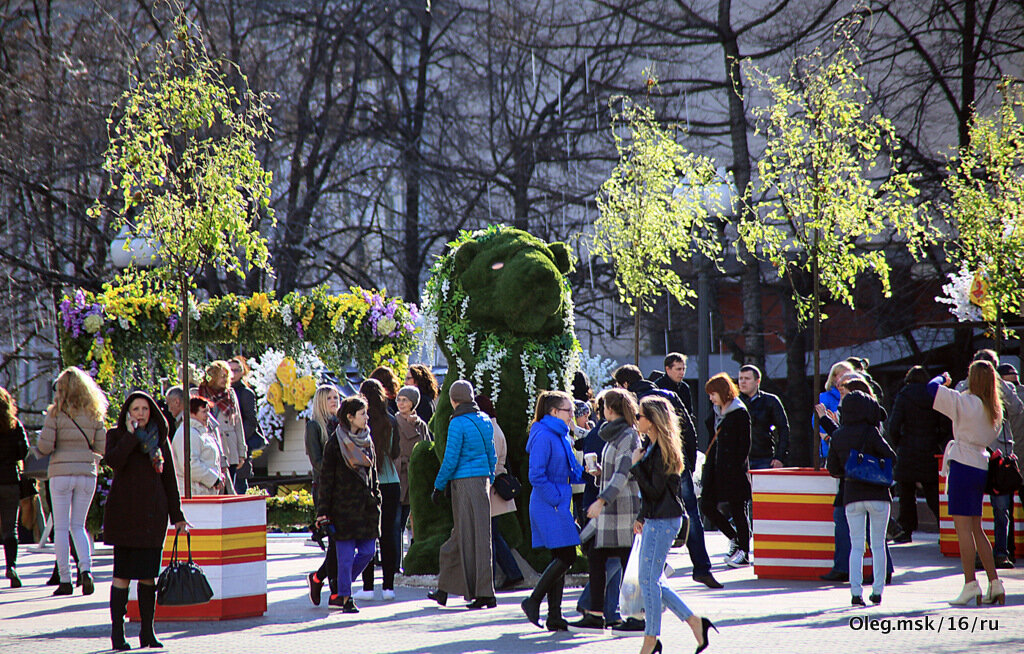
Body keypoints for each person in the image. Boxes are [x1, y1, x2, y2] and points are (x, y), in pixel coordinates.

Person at [615, 364, 720, 588]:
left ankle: (656, 567)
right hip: (677, 460)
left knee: (648, 513)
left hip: (653, 461)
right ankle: (702, 567)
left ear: (624, 384)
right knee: (691, 514)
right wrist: (689, 463)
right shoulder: (669, 394)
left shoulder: (634, 402)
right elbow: (688, 429)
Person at [103, 391, 187, 650]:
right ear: (128, 412)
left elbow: (170, 479)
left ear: (151, 412)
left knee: (148, 576)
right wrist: (130, 436)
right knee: (122, 576)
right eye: (135, 409)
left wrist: (178, 516)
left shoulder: (160, 439)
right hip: (125, 515)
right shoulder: (116, 436)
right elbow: (114, 461)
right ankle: (118, 633)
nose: (141, 413)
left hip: (153, 515)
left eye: (145, 409)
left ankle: (147, 632)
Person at [632, 396, 716, 654]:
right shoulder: (655, 447)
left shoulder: (662, 450)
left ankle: (651, 638)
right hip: (658, 518)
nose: (636, 421)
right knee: (653, 579)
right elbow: (654, 494)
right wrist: (641, 517)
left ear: (652, 420)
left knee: (648, 581)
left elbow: (656, 491)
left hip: (664, 519)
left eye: (640, 416)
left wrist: (636, 466)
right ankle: (694, 622)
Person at [931, 364, 1005, 605]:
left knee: (963, 529)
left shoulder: (965, 401)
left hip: (962, 465)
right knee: (976, 528)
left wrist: (943, 377)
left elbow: (930, 389)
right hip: (980, 465)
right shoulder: (994, 409)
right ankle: (995, 583)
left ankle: (970, 584)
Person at [569, 388, 641, 633]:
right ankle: (597, 613)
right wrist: (599, 473)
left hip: (621, 510)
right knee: (600, 557)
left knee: (626, 562)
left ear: (611, 409)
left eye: (602, 408)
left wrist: (600, 500)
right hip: (613, 510)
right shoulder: (616, 434)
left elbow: (624, 473)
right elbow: (616, 471)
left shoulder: (628, 436)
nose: (600, 412)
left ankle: (635, 616)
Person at [36, 366, 107, 596]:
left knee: (61, 527)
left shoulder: (56, 413)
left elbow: (45, 447)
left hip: (60, 474)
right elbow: (101, 448)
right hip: (87, 473)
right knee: (79, 525)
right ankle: (86, 571)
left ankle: (65, 579)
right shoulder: (95, 413)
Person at [428, 380, 497, 609]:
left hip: (464, 483)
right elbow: (492, 455)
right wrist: (490, 479)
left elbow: (450, 459)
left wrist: (438, 485)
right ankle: (447, 589)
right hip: (483, 481)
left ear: (453, 399)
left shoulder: (457, 422)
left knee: (466, 535)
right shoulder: (485, 419)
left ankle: (481, 593)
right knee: (476, 536)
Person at [825, 391, 897, 605]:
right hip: (878, 495)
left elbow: (833, 468)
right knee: (877, 545)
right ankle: (877, 591)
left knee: (856, 546)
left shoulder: (837, 435)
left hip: (852, 495)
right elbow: (891, 456)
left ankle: (856, 593)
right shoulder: (871, 431)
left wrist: (851, 468)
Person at [521, 390, 584, 630]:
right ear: (554, 412)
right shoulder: (545, 435)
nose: (572, 415)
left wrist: (590, 474)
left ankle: (554, 616)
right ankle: (533, 601)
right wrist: (557, 499)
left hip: (557, 502)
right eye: (569, 411)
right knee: (566, 556)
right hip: (549, 503)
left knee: (561, 555)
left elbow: (569, 470)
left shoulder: (560, 435)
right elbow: (536, 474)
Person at [955, 350, 1023, 569]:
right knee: (972, 509)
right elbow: (955, 403)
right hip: (973, 454)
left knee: (1001, 508)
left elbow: (1017, 409)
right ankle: (976, 552)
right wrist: (972, 380)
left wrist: (999, 384)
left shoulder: (1006, 388)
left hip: (998, 456)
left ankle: (1001, 552)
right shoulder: (963, 387)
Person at [315, 395, 381, 612]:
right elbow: (326, 479)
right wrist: (323, 511)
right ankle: (345, 597)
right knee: (344, 557)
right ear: (350, 417)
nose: (367, 418)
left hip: (366, 509)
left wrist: (377, 498)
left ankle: (342, 585)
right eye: (363, 414)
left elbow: (374, 475)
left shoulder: (367, 440)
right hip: (342, 509)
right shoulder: (335, 442)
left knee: (367, 551)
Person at [888, 366, 952, 543]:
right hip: (930, 448)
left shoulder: (903, 395)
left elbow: (893, 425)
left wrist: (900, 442)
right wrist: (935, 439)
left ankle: (906, 531)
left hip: (908, 448)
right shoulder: (934, 394)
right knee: (932, 492)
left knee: (906, 494)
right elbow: (945, 424)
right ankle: (945, 530)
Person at [701, 372, 752, 568]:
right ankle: (735, 539)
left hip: (734, 469)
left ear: (723, 392)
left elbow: (744, 445)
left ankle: (744, 551)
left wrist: (736, 466)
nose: (711, 398)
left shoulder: (739, 412)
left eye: (713, 394)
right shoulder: (715, 412)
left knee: (738, 510)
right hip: (715, 467)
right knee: (706, 505)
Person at [356, 378, 401, 600]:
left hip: (369, 483)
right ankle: (389, 587)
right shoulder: (391, 420)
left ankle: (367, 588)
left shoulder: (361, 422)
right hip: (391, 481)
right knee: (389, 535)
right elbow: (395, 452)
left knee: (368, 534)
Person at [478, 394, 523, 590]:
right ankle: (512, 573)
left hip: (491, 487)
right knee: (494, 534)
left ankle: (500, 576)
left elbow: (492, 462)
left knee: (490, 535)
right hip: (494, 487)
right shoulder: (494, 428)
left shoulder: (490, 431)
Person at [305, 385, 341, 606]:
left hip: (343, 488)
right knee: (335, 540)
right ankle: (330, 587)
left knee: (341, 542)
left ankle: (320, 578)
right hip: (325, 487)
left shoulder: (341, 423)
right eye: (329, 398)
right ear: (320, 401)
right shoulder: (314, 426)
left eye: (336, 397)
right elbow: (316, 461)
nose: (334, 401)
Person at [197, 361, 246, 493]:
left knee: (230, 491)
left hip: (230, 448)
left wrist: (242, 452)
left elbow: (238, 423)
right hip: (210, 446)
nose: (225, 379)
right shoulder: (200, 392)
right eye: (221, 376)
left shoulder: (230, 394)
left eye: (226, 376)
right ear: (213, 377)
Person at [395, 385, 431, 547]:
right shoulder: (393, 422)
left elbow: (427, 448)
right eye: (399, 400)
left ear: (413, 403)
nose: (401, 403)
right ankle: (396, 562)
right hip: (398, 475)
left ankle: (416, 555)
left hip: (416, 477)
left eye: (405, 400)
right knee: (397, 524)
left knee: (417, 521)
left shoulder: (421, 425)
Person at [0, 387, 29, 588]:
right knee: (11, 528)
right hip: (10, 479)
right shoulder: (14, 424)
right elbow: (24, 450)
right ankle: (12, 567)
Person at [737, 365, 789, 469]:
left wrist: (779, 457)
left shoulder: (771, 401)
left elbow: (783, 429)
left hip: (764, 458)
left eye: (747, 378)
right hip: (739, 459)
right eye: (740, 378)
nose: (742, 382)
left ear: (757, 381)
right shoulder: (734, 402)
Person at [171, 396, 225, 496]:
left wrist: (218, 476)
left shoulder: (201, 432)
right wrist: (214, 479)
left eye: (208, 411)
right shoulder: (187, 433)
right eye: (204, 412)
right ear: (192, 413)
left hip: (203, 493)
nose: (208, 416)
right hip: (193, 495)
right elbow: (190, 465)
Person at [229, 356, 265, 494]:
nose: (232, 374)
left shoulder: (246, 393)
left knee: (239, 487)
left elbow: (251, 421)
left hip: (241, 446)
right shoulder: (222, 392)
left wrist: (239, 439)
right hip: (226, 447)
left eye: (236, 370)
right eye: (229, 370)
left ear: (242, 372)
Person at [818, 361, 855, 458]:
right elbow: (817, 421)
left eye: (849, 375)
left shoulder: (856, 397)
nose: (846, 379)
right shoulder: (826, 397)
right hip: (831, 449)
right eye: (843, 375)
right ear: (834, 378)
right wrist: (827, 436)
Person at [652, 352, 694, 416]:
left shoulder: (684, 387)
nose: (682, 373)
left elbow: (689, 413)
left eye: (684, 369)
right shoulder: (657, 387)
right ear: (667, 369)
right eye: (678, 369)